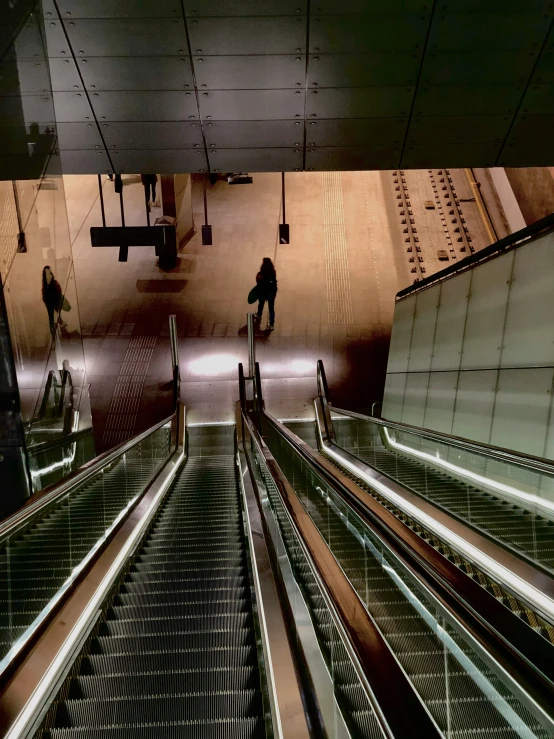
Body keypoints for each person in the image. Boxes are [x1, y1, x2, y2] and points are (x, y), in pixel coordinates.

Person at [41, 266, 65, 337]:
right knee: (54, 312)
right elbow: (57, 289)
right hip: (52, 298)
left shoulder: (45, 282)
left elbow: (44, 293)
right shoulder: (51, 281)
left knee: (51, 315)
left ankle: (53, 328)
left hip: (50, 299)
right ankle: (56, 326)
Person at [255, 257, 278, 330]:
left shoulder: (260, 274)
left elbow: (258, 283)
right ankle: (271, 324)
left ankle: (259, 315)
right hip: (271, 292)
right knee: (271, 308)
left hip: (262, 292)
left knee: (261, 304)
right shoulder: (273, 271)